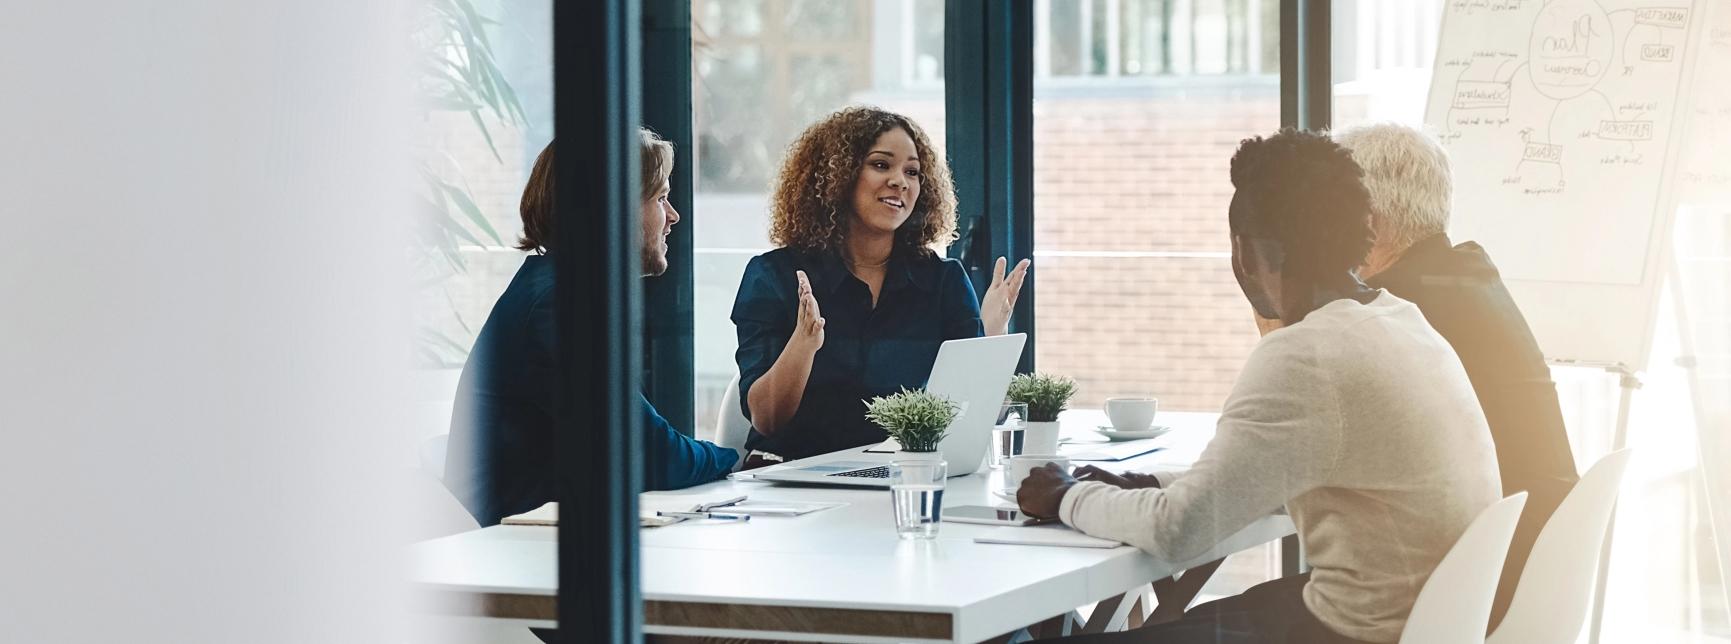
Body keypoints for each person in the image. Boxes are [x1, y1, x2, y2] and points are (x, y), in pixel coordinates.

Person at [1017, 129, 1502, 644]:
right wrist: (1153, 483)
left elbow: (1177, 532)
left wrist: (1067, 495)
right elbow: (1265, 469)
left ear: (1247, 252)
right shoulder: (1401, 320)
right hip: (1418, 621)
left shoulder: (1307, 354)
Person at [1336, 122, 1579, 626]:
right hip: (1525, 580)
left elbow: (1305, 443)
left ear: (1365, 219)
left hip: (1463, 596)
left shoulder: (1397, 307)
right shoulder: (1467, 275)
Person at [444, 131, 738, 528]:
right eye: (660, 198)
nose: (673, 216)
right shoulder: (558, 305)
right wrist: (733, 456)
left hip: (543, 541)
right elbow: (651, 453)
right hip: (510, 557)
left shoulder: (557, 290)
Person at [730, 106, 1028, 467]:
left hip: (900, 474)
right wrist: (803, 345)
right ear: (837, 176)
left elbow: (974, 418)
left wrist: (991, 339)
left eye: (913, 171)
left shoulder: (943, 281)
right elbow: (767, 418)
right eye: (881, 165)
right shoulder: (775, 276)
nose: (901, 181)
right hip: (789, 476)